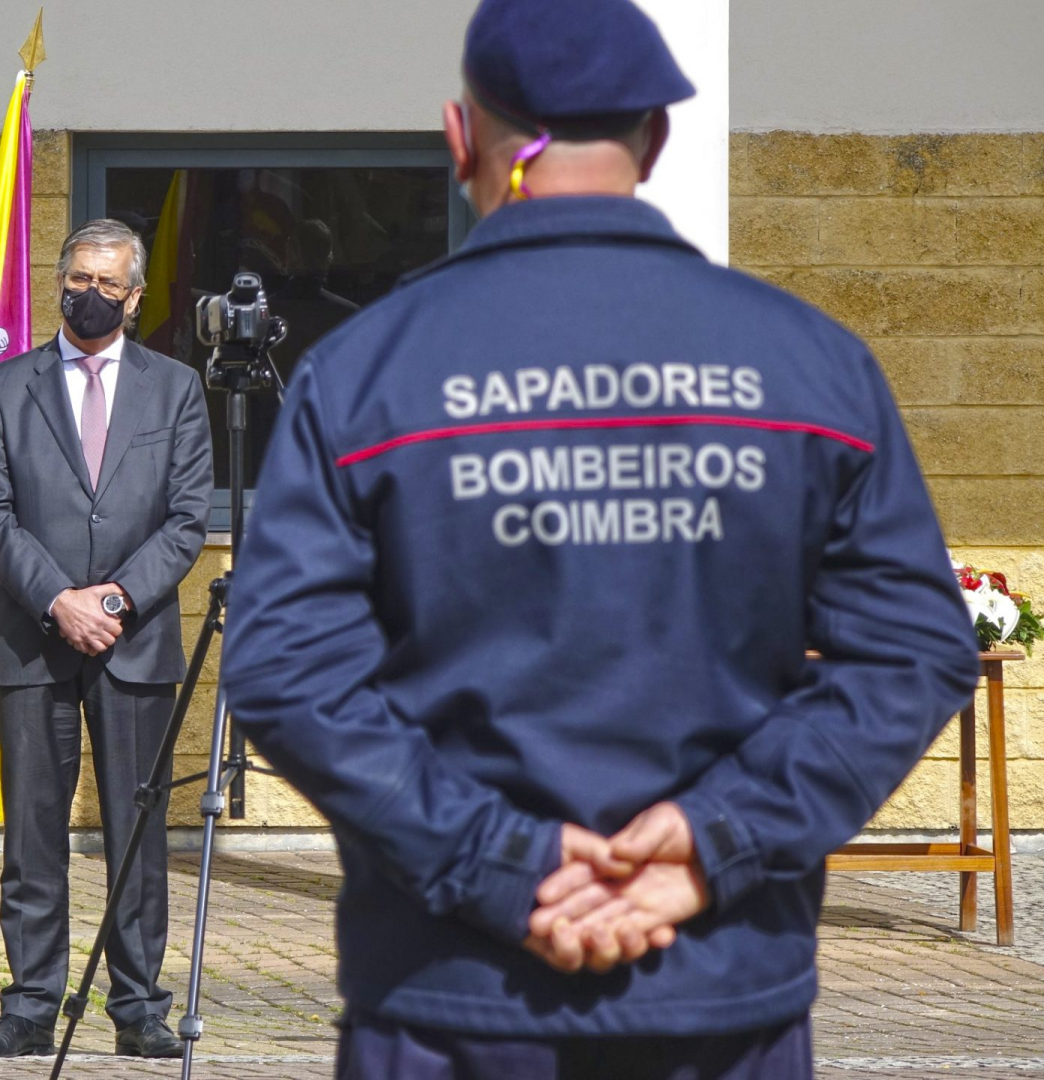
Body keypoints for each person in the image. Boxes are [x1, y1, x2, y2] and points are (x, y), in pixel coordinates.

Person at [222, 1, 983, 1077]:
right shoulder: (813, 365)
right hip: (717, 982)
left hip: (451, 998)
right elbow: (914, 652)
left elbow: (286, 671)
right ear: (657, 140)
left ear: (457, 139)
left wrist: (503, 865)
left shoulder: (367, 373)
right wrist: (714, 844)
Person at [0, 219, 214, 1060]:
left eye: (110, 284)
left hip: (135, 641)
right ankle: (30, 1006)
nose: (91, 294)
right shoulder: (3, 388)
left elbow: (186, 520)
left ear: (136, 298)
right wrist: (58, 600)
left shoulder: (176, 388)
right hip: (34, 641)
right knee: (33, 837)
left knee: (136, 836)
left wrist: (114, 598)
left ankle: (139, 1006)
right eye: (79, 277)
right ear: (58, 281)